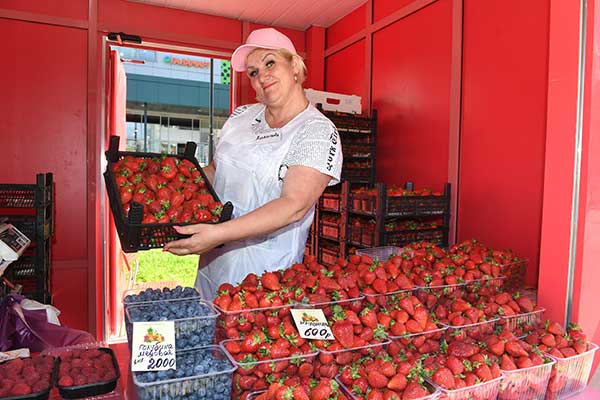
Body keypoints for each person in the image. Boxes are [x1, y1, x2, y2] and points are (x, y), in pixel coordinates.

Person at [163, 28, 343, 299]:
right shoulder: (241, 117)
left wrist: (218, 233)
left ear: (295, 66)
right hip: (213, 266)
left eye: (270, 63)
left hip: (265, 281)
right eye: (253, 72)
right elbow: (214, 171)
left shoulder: (316, 130)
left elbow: (293, 205)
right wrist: (174, 184)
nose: (261, 76)